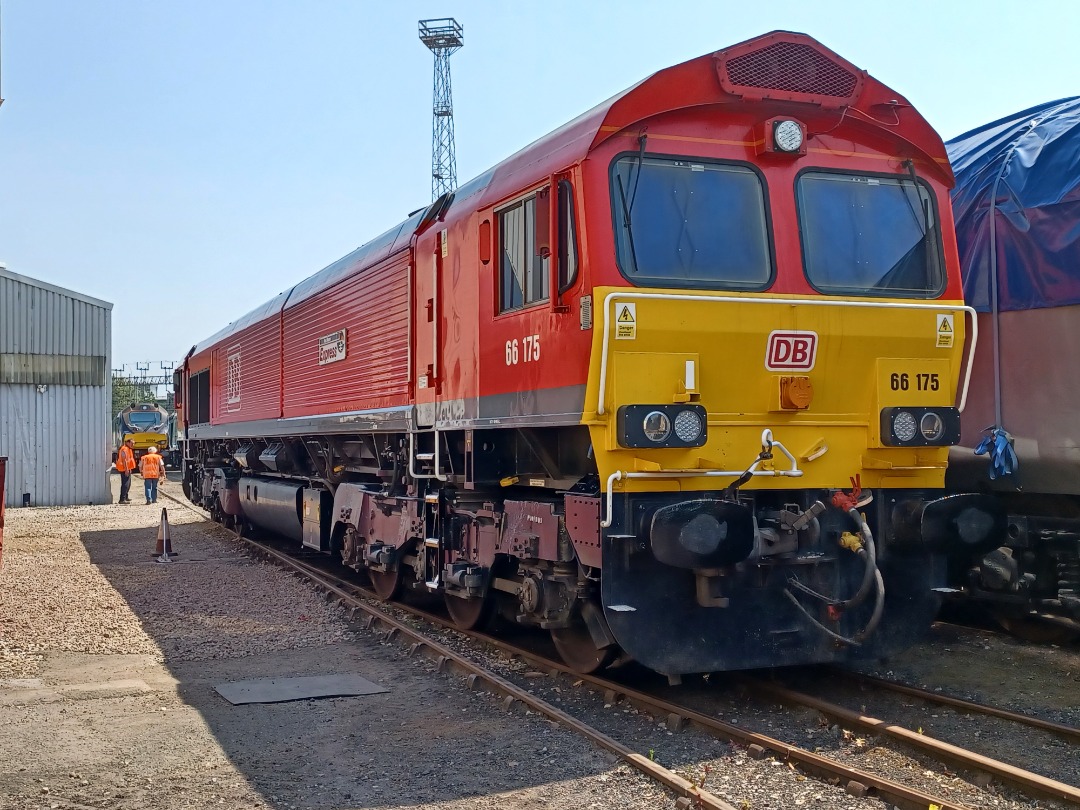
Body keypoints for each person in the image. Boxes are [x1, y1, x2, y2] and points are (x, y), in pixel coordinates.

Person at [116, 438, 136, 504]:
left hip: (127, 468)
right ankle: (122, 499)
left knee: (128, 484)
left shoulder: (128, 449)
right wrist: (126, 469)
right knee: (125, 484)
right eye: (132, 443)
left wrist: (129, 468)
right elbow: (124, 460)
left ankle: (126, 497)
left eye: (133, 443)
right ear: (127, 443)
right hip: (124, 469)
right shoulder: (124, 449)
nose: (133, 445)